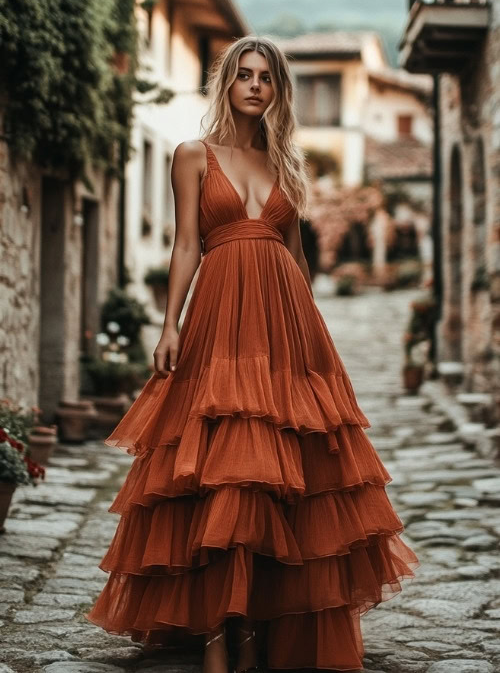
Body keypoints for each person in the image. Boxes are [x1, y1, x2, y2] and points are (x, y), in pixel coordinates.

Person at [85, 36, 419, 673]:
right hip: (217, 316)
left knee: (282, 472)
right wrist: (169, 326)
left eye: (266, 76)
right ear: (227, 84)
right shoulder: (192, 155)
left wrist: (312, 337)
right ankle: (218, 633)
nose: (255, 85)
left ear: (278, 89)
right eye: (244, 74)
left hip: (284, 322)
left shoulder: (286, 166)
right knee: (218, 468)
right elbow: (187, 244)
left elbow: (295, 258)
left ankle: (258, 629)